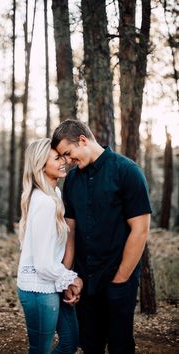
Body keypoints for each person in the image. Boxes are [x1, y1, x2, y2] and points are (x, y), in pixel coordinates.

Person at [51, 119, 152, 354]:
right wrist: (67, 276)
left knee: (120, 346)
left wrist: (120, 279)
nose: (67, 161)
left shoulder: (127, 171)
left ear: (83, 140)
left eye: (68, 153)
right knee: (90, 345)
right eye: (62, 157)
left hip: (119, 278)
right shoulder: (73, 181)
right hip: (85, 279)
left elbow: (141, 230)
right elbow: (71, 231)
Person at [17, 138, 82, 354]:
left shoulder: (55, 195)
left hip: (52, 283)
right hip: (38, 288)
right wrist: (72, 279)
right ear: (40, 166)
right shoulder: (43, 202)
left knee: (70, 341)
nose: (64, 161)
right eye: (56, 158)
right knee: (40, 350)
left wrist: (65, 282)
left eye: (63, 156)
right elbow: (43, 264)